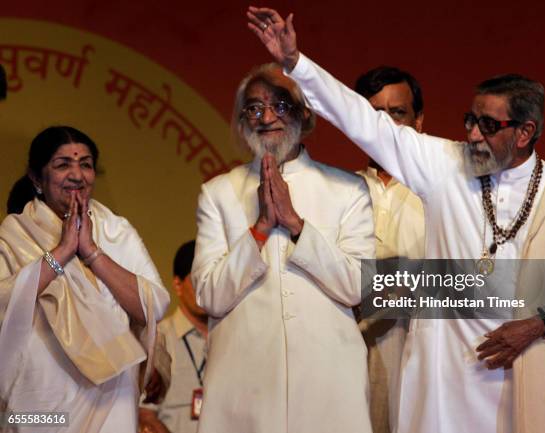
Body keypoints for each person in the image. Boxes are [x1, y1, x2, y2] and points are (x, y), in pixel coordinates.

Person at [247, 8, 545, 433]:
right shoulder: (445, 165)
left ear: (525, 132)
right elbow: (364, 122)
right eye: (470, 120)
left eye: (489, 125)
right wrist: (296, 62)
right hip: (445, 383)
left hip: (525, 375)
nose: (473, 134)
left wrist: (538, 324)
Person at [191, 63, 375, 433]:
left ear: (305, 115)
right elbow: (208, 294)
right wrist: (259, 230)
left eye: (280, 104)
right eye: (255, 108)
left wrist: (296, 225)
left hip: (328, 383)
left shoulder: (346, 189)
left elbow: (358, 286)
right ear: (243, 121)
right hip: (243, 386)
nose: (267, 117)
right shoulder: (219, 193)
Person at [0, 126, 170, 432]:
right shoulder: (15, 234)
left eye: (86, 164)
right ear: (37, 178)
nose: (77, 175)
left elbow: (153, 307)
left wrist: (92, 253)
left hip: (113, 398)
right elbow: (4, 302)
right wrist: (62, 253)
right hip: (40, 401)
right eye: (63, 164)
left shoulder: (117, 231)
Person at [355, 66, 426, 433]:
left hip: (425, 365)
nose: (384, 125)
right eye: (373, 114)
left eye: (397, 113)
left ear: (418, 122)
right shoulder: (338, 193)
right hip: (351, 366)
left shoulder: (441, 196)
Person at [139, 240, 208, 433]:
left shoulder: (231, 338)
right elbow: (144, 415)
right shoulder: (159, 338)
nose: (206, 289)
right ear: (177, 285)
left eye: (211, 280)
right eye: (197, 280)